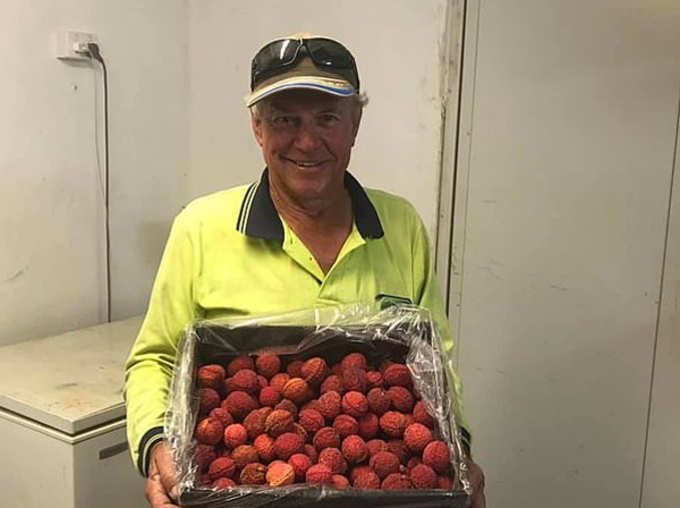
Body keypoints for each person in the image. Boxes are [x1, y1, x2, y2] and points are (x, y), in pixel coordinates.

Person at [124, 33, 486, 508]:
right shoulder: (201, 227)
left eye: (328, 118)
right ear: (258, 129)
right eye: (285, 120)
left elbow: (435, 365)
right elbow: (156, 360)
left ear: (355, 124)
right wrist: (159, 450)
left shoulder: (402, 226)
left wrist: (455, 453)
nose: (307, 141)